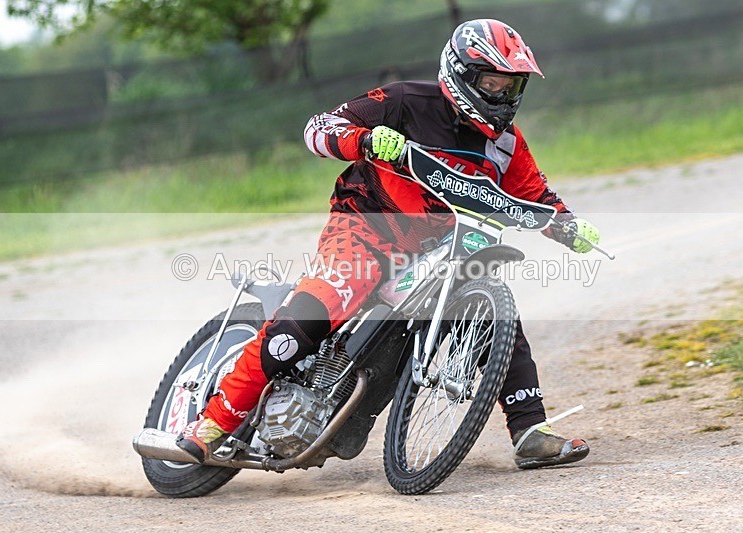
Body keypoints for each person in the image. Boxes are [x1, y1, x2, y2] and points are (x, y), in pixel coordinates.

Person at [177, 19, 600, 470]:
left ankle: (529, 432)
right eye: (491, 82)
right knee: (311, 316)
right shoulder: (402, 101)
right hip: (364, 230)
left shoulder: (506, 144)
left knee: (495, 318)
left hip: (440, 247)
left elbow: (535, 197)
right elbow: (318, 128)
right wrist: (363, 140)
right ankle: (211, 425)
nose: (501, 95)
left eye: (511, 85)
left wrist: (567, 224)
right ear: (460, 73)